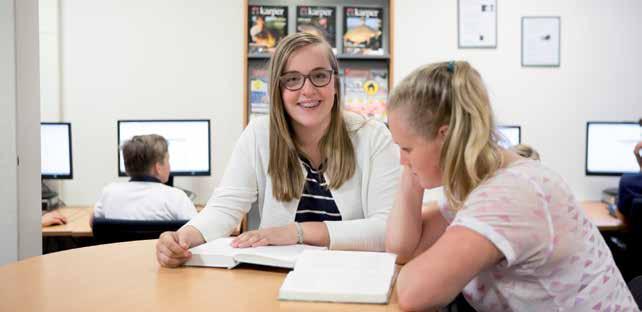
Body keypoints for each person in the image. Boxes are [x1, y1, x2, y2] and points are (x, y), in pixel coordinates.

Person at [385, 61, 636, 310]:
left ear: (446, 136)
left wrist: (415, 169)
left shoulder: (511, 194)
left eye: (406, 149)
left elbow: (412, 293)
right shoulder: (475, 183)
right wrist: (412, 173)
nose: (402, 160)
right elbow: (403, 250)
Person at [156, 32, 400, 267]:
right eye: (292, 79)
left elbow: (388, 229)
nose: (307, 90)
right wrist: (182, 238)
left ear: (335, 83)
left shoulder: (373, 137)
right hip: (275, 280)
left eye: (319, 76)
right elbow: (224, 208)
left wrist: (296, 232)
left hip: (353, 275)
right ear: (278, 90)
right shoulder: (259, 134)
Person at [92, 134, 196, 222]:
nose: (169, 166)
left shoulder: (109, 192)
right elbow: (197, 230)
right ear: (158, 167)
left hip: (120, 247)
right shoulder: (177, 197)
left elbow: (94, 223)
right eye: (167, 160)